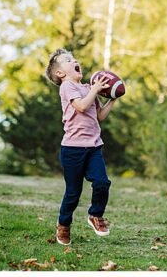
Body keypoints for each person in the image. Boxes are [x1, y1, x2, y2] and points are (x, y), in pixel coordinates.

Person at [44, 48, 119, 245]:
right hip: (72, 150)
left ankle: (95, 215)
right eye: (68, 60)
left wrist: (112, 98)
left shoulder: (88, 88)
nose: (74, 60)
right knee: (73, 193)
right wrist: (94, 90)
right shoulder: (67, 87)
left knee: (102, 182)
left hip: (94, 147)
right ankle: (63, 224)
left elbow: (99, 115)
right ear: (60, 73)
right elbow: (81, 107)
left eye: (74, 58)